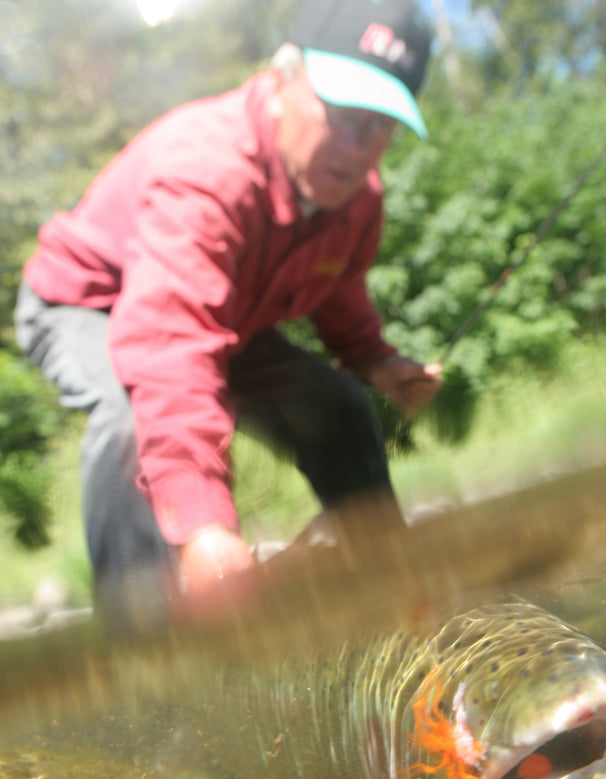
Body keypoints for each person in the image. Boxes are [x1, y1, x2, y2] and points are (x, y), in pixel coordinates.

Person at [14, 0, 441, 630]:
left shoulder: (355, 199)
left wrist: (374, 359)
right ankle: (148, 673)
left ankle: (394, 605)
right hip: (86, 299)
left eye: (381, 126)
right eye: (345, 114)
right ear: (282, 80)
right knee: (132, 423)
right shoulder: (208, 171)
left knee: (341, 406)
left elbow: (337, 282)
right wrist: (204, 529)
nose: (358, 147)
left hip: (221, 317)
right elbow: (168, 344)